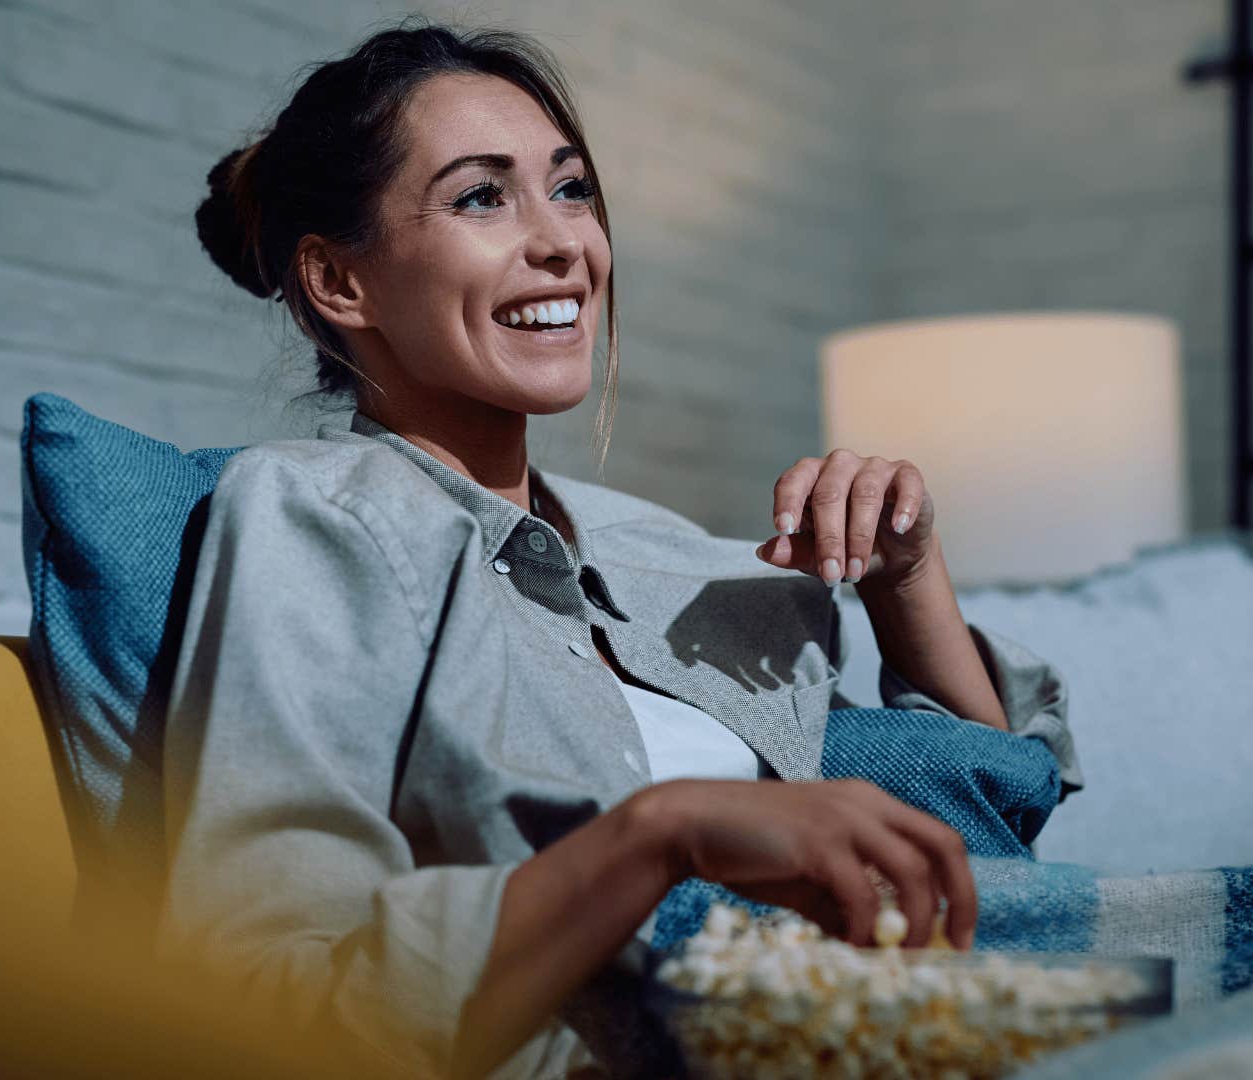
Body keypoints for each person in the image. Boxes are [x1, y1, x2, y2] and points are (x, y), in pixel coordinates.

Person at [172, 17, 1081, 1078]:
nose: (564, 243)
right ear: (338, 283)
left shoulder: (660, 550)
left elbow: (986, 813)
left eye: (570, 188)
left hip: (899, 1005)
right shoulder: (308, 514)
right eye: (480, 196)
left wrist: (907, 577)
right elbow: (261, 995)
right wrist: (660, 835)